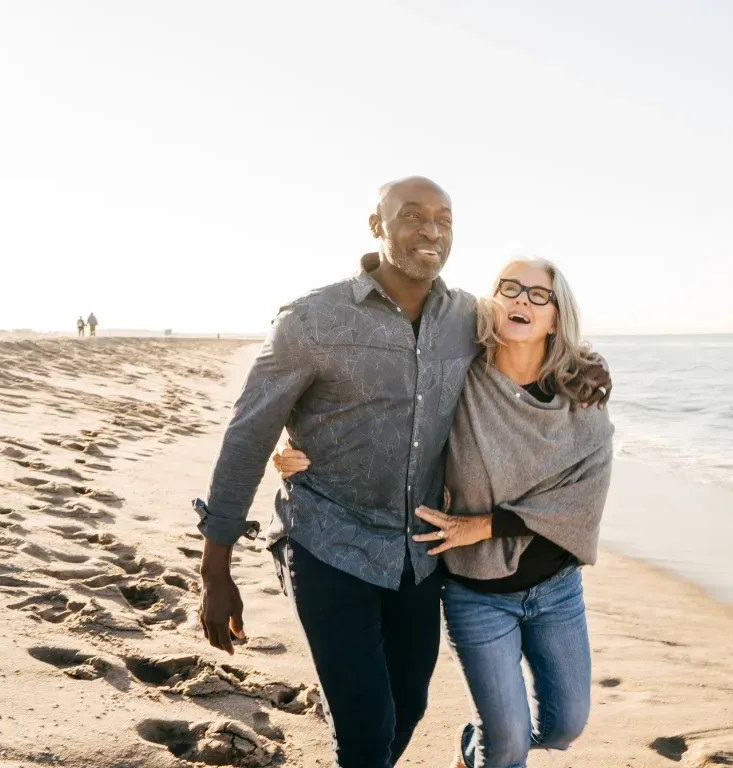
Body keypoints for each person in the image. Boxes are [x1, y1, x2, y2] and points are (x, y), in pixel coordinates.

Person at [192, 177, 610, 768]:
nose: (430, 230)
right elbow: (247, 435)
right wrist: (216, 568)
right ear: (376, 226)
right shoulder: (312, 320)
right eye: (412, 216)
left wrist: (589, 363)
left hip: (416, 554)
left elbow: (538, 336)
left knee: (407, 707)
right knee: (366, 731)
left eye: (443, 218)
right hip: (327, 541)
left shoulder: (469, 317)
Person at [275, 257, 613, 768]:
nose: (522, 300)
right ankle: (490, 744)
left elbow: (584, 493)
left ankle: (472, 744)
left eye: (538, 295)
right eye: (510, 288)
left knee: (565, 726)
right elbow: (382, 415)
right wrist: (302, 445)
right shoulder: (458, 374)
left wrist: (486, 525)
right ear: (492, 301)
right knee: (508, 746)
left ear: (557, 315)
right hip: (476, 593)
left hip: (557, 588)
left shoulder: (580, 389)